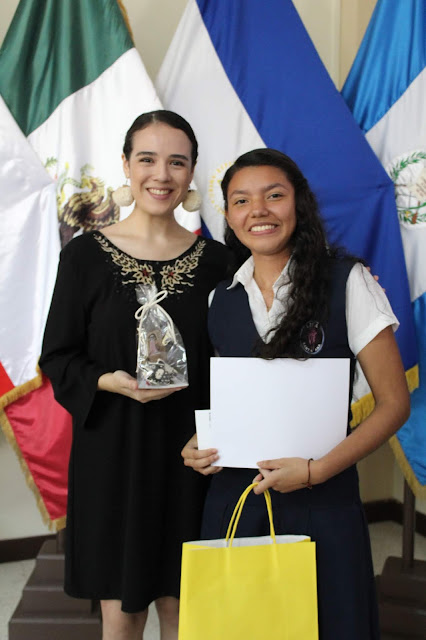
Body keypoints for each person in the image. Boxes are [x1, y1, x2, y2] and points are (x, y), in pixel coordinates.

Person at [181, 148, 410, 639]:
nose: (258, 210)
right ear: (228, 216)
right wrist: (199, 445)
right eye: (241, 200)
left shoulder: (347, 282)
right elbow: (234, 403)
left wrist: (315, 471)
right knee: (242, 627)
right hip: (235, 501)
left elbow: (394, 404)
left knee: (329, 624)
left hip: (323, 501)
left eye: (274, 195)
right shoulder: (220, 299)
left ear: (299, 204)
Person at [39, 110, 229, 640]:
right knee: (122, 615)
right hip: (113, 454)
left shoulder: (219, 262)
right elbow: (58, 356)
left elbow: (239, 358)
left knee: (186, 610)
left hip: (196, 455)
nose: (161, 175)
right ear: (125, 165)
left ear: (191, 173)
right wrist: (111, 382)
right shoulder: (83, 257)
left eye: (176, 162)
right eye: (147, 159)